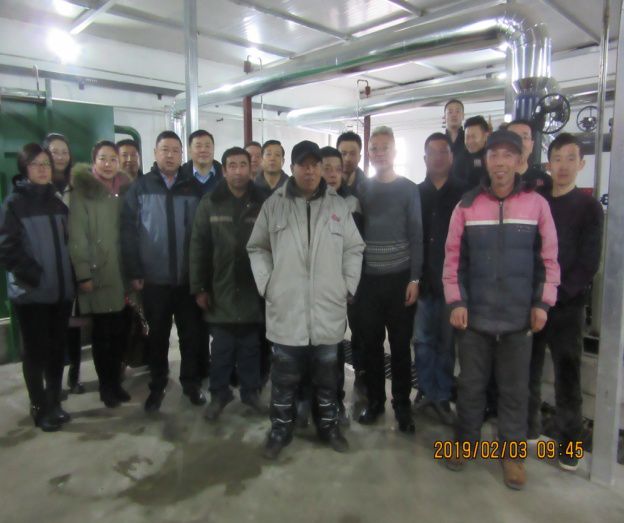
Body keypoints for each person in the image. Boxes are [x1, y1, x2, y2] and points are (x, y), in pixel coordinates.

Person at [443, 129, 560, 490]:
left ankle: (512, 457)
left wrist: (543, 303)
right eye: (494, 155)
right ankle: (464, 444)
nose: (500, 162)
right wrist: (456, 301)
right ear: (486, 160)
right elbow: (453, 260)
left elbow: (549, 259)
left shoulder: (537, 205)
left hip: (518, 317)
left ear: (520, 161)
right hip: (474, 317)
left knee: (514, 391)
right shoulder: (466, 206)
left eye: (508, 155)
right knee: (470, 386)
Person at [247, 140, 365, 459]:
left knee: (327, 378)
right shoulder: (274, 205)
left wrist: (347, 284)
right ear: (293, 168)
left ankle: (328, 427)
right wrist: (268, 284)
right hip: (287, 308)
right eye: (304, 164)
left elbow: (354, 248)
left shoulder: (338, 206)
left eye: (315, 165)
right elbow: (257, 247)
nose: (310, 170)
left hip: (327, 307)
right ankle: (280, 430)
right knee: (284, 378)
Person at [527, 133, 603, 471]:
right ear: (548, 164)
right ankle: (527, 429)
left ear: (581, 164)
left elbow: (589, 261)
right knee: (528, 368)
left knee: (567, 374)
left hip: (567, 306)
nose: (564, 165)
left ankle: (570, 444)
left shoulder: (589, 207)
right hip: (533, 303)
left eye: (571, 158)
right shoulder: (538, 201)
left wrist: (557, 294)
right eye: (557, 158)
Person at [121, 130, 206, 412]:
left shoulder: (193, 188)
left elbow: (202, 234)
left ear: (182, 155)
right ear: (155, 153)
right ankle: (157, 386)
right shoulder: (141, 188)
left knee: (190, 336)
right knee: (157, 337)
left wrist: (200, 275)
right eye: (164, 150)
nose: (170, 155)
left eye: (175, 151)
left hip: (186, 280)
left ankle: (191, 384)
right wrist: (135, 271)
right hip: (154, 280)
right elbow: (128, 233)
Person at [0, 143, 75, 431]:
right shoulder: (14, 204)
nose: (43, 169)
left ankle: (54, 402)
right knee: (35, 353)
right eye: (36, 164)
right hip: (32, 294)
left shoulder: (57, 202)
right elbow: (7, 247)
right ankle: (39, 406)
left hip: (60, 291)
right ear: (24, 168)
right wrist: (34, 276)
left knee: (56, 351)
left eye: (46, 164)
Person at [190, 147, 266, 420]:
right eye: (231, 165)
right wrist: (199, 287)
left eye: (243, 165)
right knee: (221, 349)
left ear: (250, 168)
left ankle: (250, 392)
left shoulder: (263, 202)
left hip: (252, 289)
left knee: (250, 347)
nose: (238, 171)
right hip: (219, 288)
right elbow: (198, 247)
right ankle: (219, 394)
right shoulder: (210, 202)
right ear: (223, 171)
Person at [357, 126, 422, 434]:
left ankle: (402, 406)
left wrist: (415, 279)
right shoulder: (362, 189)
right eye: (374, 148)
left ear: (395, 152)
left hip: (400, 281)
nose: (379, 153)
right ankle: (374, 402)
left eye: (385, 147)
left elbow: (417, 235)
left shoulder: (409, 189)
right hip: (368, 282)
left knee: (399, 347)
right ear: (369, 154)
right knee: (370, 345)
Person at [68, 141, 132, 408]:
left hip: (122, 274)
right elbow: (77, 237)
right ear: (93, 161)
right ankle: (106, 386)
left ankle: (116, 382)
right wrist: (83, 274)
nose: (108, 164)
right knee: (103, 335)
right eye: (103, 158)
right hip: (98, 274)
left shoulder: (124, 191)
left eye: (113, 159)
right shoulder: (82, 194)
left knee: (120, 333)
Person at [413, 133, 466, 425]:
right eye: (432, 152)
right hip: (422, 281)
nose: (438, 157)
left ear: (451, 156)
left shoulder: (464, 194)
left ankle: (443, 395)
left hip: (451, 284)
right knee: (422, 341)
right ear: (424, 158)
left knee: (446, 344)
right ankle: (424, 390)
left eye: (443, 151)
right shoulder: (415, 193)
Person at [43, 133, 84, 395]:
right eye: (54, 151)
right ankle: (53, 383)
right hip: (48, 267)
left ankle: (74, 376)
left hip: (73, 264)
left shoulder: (76, 187)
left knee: (74, 325)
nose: (60, 157)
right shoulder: (39, 187)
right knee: (51, 330)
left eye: (64, 152)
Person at [506, 119, 552, 191]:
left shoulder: (546, 182)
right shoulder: (492, 180)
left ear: (532, 146)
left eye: (525, 137)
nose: (519, 142)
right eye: (513, 137)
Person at [181, 129, 223, 196]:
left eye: (207, 146)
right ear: (189, 150)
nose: (203, 150)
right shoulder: (180, 176)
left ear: (213, 148)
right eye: (198, 146)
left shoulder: (225, 176)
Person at [452, 115, 489, 189]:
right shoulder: (460, 160)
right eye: (467, 137)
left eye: (474, 137)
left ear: (485, 136)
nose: (470, 141)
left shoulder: (493, 157)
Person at [336, 131, 366, 196]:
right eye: (343, 154)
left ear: (359, 157)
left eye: (353, 154)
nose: (347, 159)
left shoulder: (367, 188)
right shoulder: (326, 183)